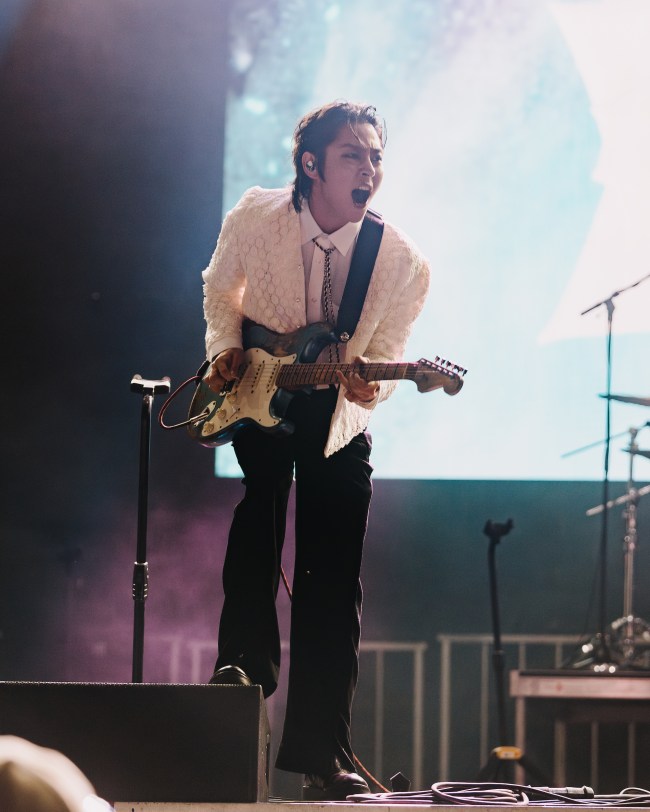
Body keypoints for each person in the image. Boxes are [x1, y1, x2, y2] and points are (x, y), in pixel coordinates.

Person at [202, 100, 430, 800]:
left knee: (333, 576)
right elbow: (220, 291)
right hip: (262, 393)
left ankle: (321, 754)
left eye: (376, 156)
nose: (369, 168)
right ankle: (241, 673)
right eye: (353, 154)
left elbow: (385, 353)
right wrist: (226, 350)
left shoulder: (402, 261)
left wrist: (370, 388)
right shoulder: (255, 215)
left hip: (336, 416)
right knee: (258, 521)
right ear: (311, 164)